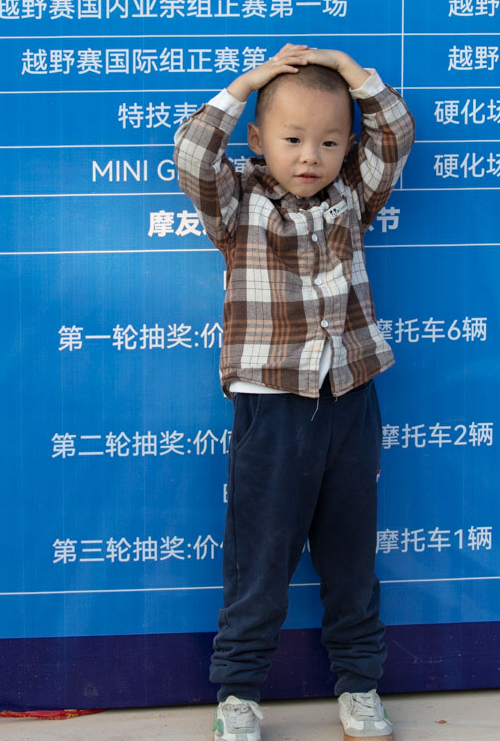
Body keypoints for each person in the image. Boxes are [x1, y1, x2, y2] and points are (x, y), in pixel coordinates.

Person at [173, 43, 415, 741]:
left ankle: (359, 684)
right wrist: (248, 82)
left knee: (350, 556)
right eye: (292, 139)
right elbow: (193, 155)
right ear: (257, 140)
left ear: (347, 150)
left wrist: (352, 74)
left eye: (330, 142)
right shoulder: (237, 204)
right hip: (272, 404)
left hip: (350, 399)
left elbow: (394, 134)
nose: (311, 156)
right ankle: (239, 692)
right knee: (259, 557)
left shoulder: (352, 198)